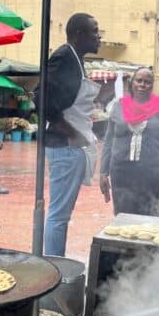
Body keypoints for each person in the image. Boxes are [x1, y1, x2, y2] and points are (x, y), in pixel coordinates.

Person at [39, 13, 101, 256]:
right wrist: (67, 129)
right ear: (79, 34)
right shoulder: (64, 57)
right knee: (58, 216)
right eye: (95, 31)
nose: (99, 37)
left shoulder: (75, 60)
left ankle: (56, 263)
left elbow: (65, 98)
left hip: (70, 147)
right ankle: (55, 267)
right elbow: (41, 97)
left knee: (61, 215)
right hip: (63, 147)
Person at [100, 67, 159, 216]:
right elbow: (109, 140)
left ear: (152, 85)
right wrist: (103, 172)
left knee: (151, 216)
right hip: (121, 172)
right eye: (139, 80)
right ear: (132, 82)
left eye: (147, 82)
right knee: (123, 217)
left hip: (152, 173)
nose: (143, 85)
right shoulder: (119, 106)